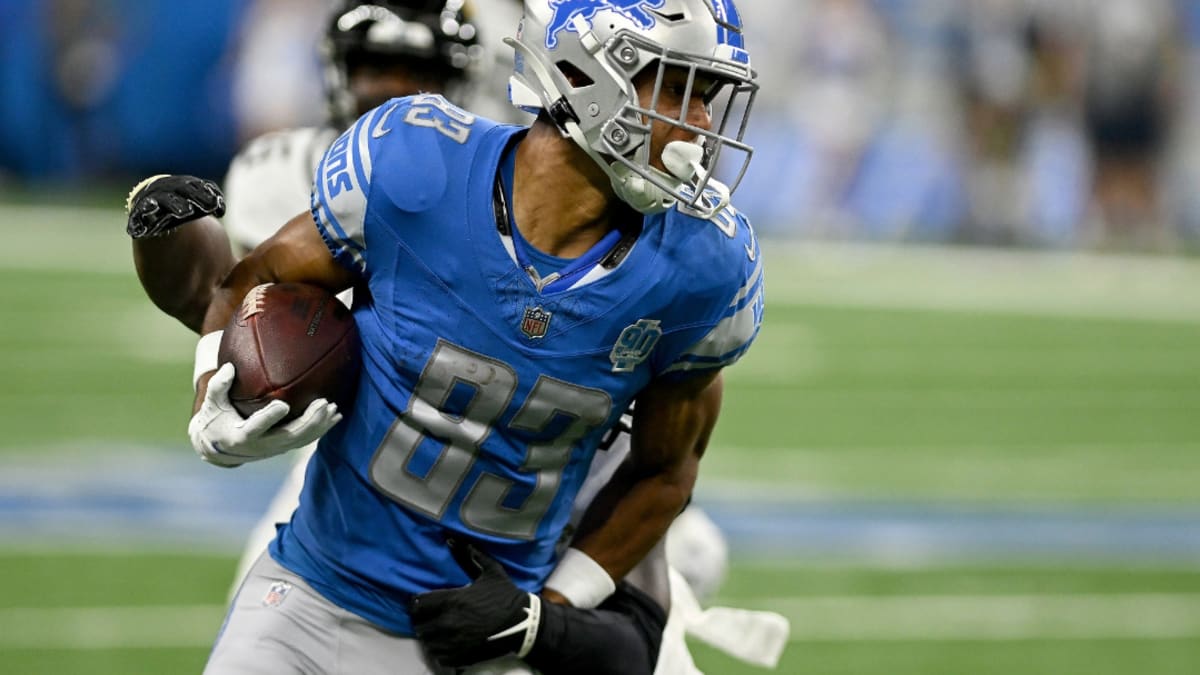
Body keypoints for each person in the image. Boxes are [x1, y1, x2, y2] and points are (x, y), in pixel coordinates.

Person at [127, 1, 771, 672]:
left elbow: (666, 473)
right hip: (312, 600)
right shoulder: (414, 162)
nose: (699, 123)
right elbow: (250, 278)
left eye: (709, 98)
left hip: (474, 642)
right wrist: (213, 394)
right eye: (677, 88)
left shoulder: (704, 268)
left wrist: (546, 612)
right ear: (586, 77)